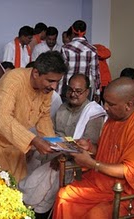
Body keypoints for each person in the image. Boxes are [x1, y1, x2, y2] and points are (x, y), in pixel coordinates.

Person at [52, 77, 134, 218]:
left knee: (96, 215)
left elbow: (128, 171)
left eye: (111, 104)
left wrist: (92, 164)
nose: (105, 107)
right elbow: (105, 151)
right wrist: (89, 147)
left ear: (128, 104)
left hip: (125, 194)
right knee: (64, 197)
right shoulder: (113, 119)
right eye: (105, 101)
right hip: (100, 183)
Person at [0, 51, 68, 182]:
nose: (54, 86)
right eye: (50, 81)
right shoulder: (14, 79)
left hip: (15, 143)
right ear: (36, 73)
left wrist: (54, 145)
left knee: (14, 188)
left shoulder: (46, 89)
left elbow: (44, 116)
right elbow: (2, 117)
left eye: (57, 82)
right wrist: (34, 140)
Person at [19, 74, 106, 219]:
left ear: (87, 92)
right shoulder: (62, 108)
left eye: (78, 91)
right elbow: (49, 132)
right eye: (70, 90)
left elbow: (89, 147)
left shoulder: (93, 114)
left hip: (74, 161)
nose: (73, 94)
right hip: (53, 150)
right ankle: (22, 203)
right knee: (28, 157)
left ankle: (36, 211)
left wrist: (62, 156)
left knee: (45, 176)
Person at [61, 20, 101, 102]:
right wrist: (97, 92)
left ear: (72, 30)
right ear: (85, 32)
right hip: (85, 89)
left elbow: (61, 71)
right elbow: (95, 73)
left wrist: (58, 90)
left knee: (68, 112)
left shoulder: (65, 48)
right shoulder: (92, 49)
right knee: (84, 113)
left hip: (68, 87)